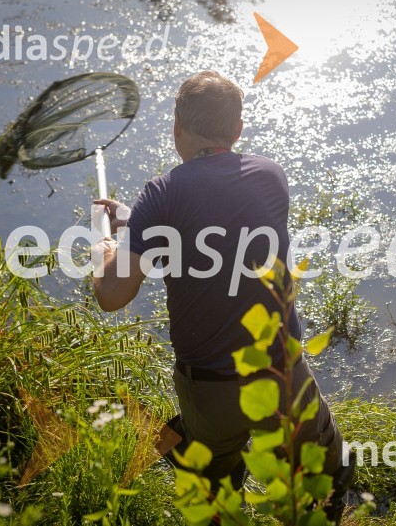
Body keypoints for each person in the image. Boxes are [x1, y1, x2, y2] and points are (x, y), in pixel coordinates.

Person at [91, 71, 352, 521]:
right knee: (327, 476)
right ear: (238, 130)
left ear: (177, 128)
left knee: (213, 494)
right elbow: (219, 225)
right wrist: (138, 222)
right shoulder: (270, 176)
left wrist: (105, 249)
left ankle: (195, 460)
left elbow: (113, 295)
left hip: (208, 386)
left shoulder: (161, 194)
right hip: (280, 374)